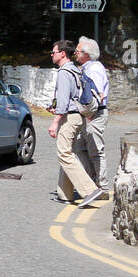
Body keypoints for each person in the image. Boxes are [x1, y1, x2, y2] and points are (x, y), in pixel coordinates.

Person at [47, 39, 99, 205]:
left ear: (62, 53)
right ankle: (65, 194)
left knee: (64, 154)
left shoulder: (64, 72)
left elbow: (63, 101)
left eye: (53, 52)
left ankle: (90, 190)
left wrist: (55, 122)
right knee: (67, 152)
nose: (51, 55)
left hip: (69, 117)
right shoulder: (76, 70)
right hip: (78, 116)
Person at [74, 36, 110, 200]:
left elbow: (96, 96)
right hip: (90, 115)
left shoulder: (94, 69)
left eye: (78, 50)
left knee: (95, 151)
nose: (75, 52)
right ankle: (91, 185)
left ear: (86, 54)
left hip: (94, 114)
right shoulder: (88, 67)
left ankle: (101, 188)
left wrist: (89, 115)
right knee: (80, 149)